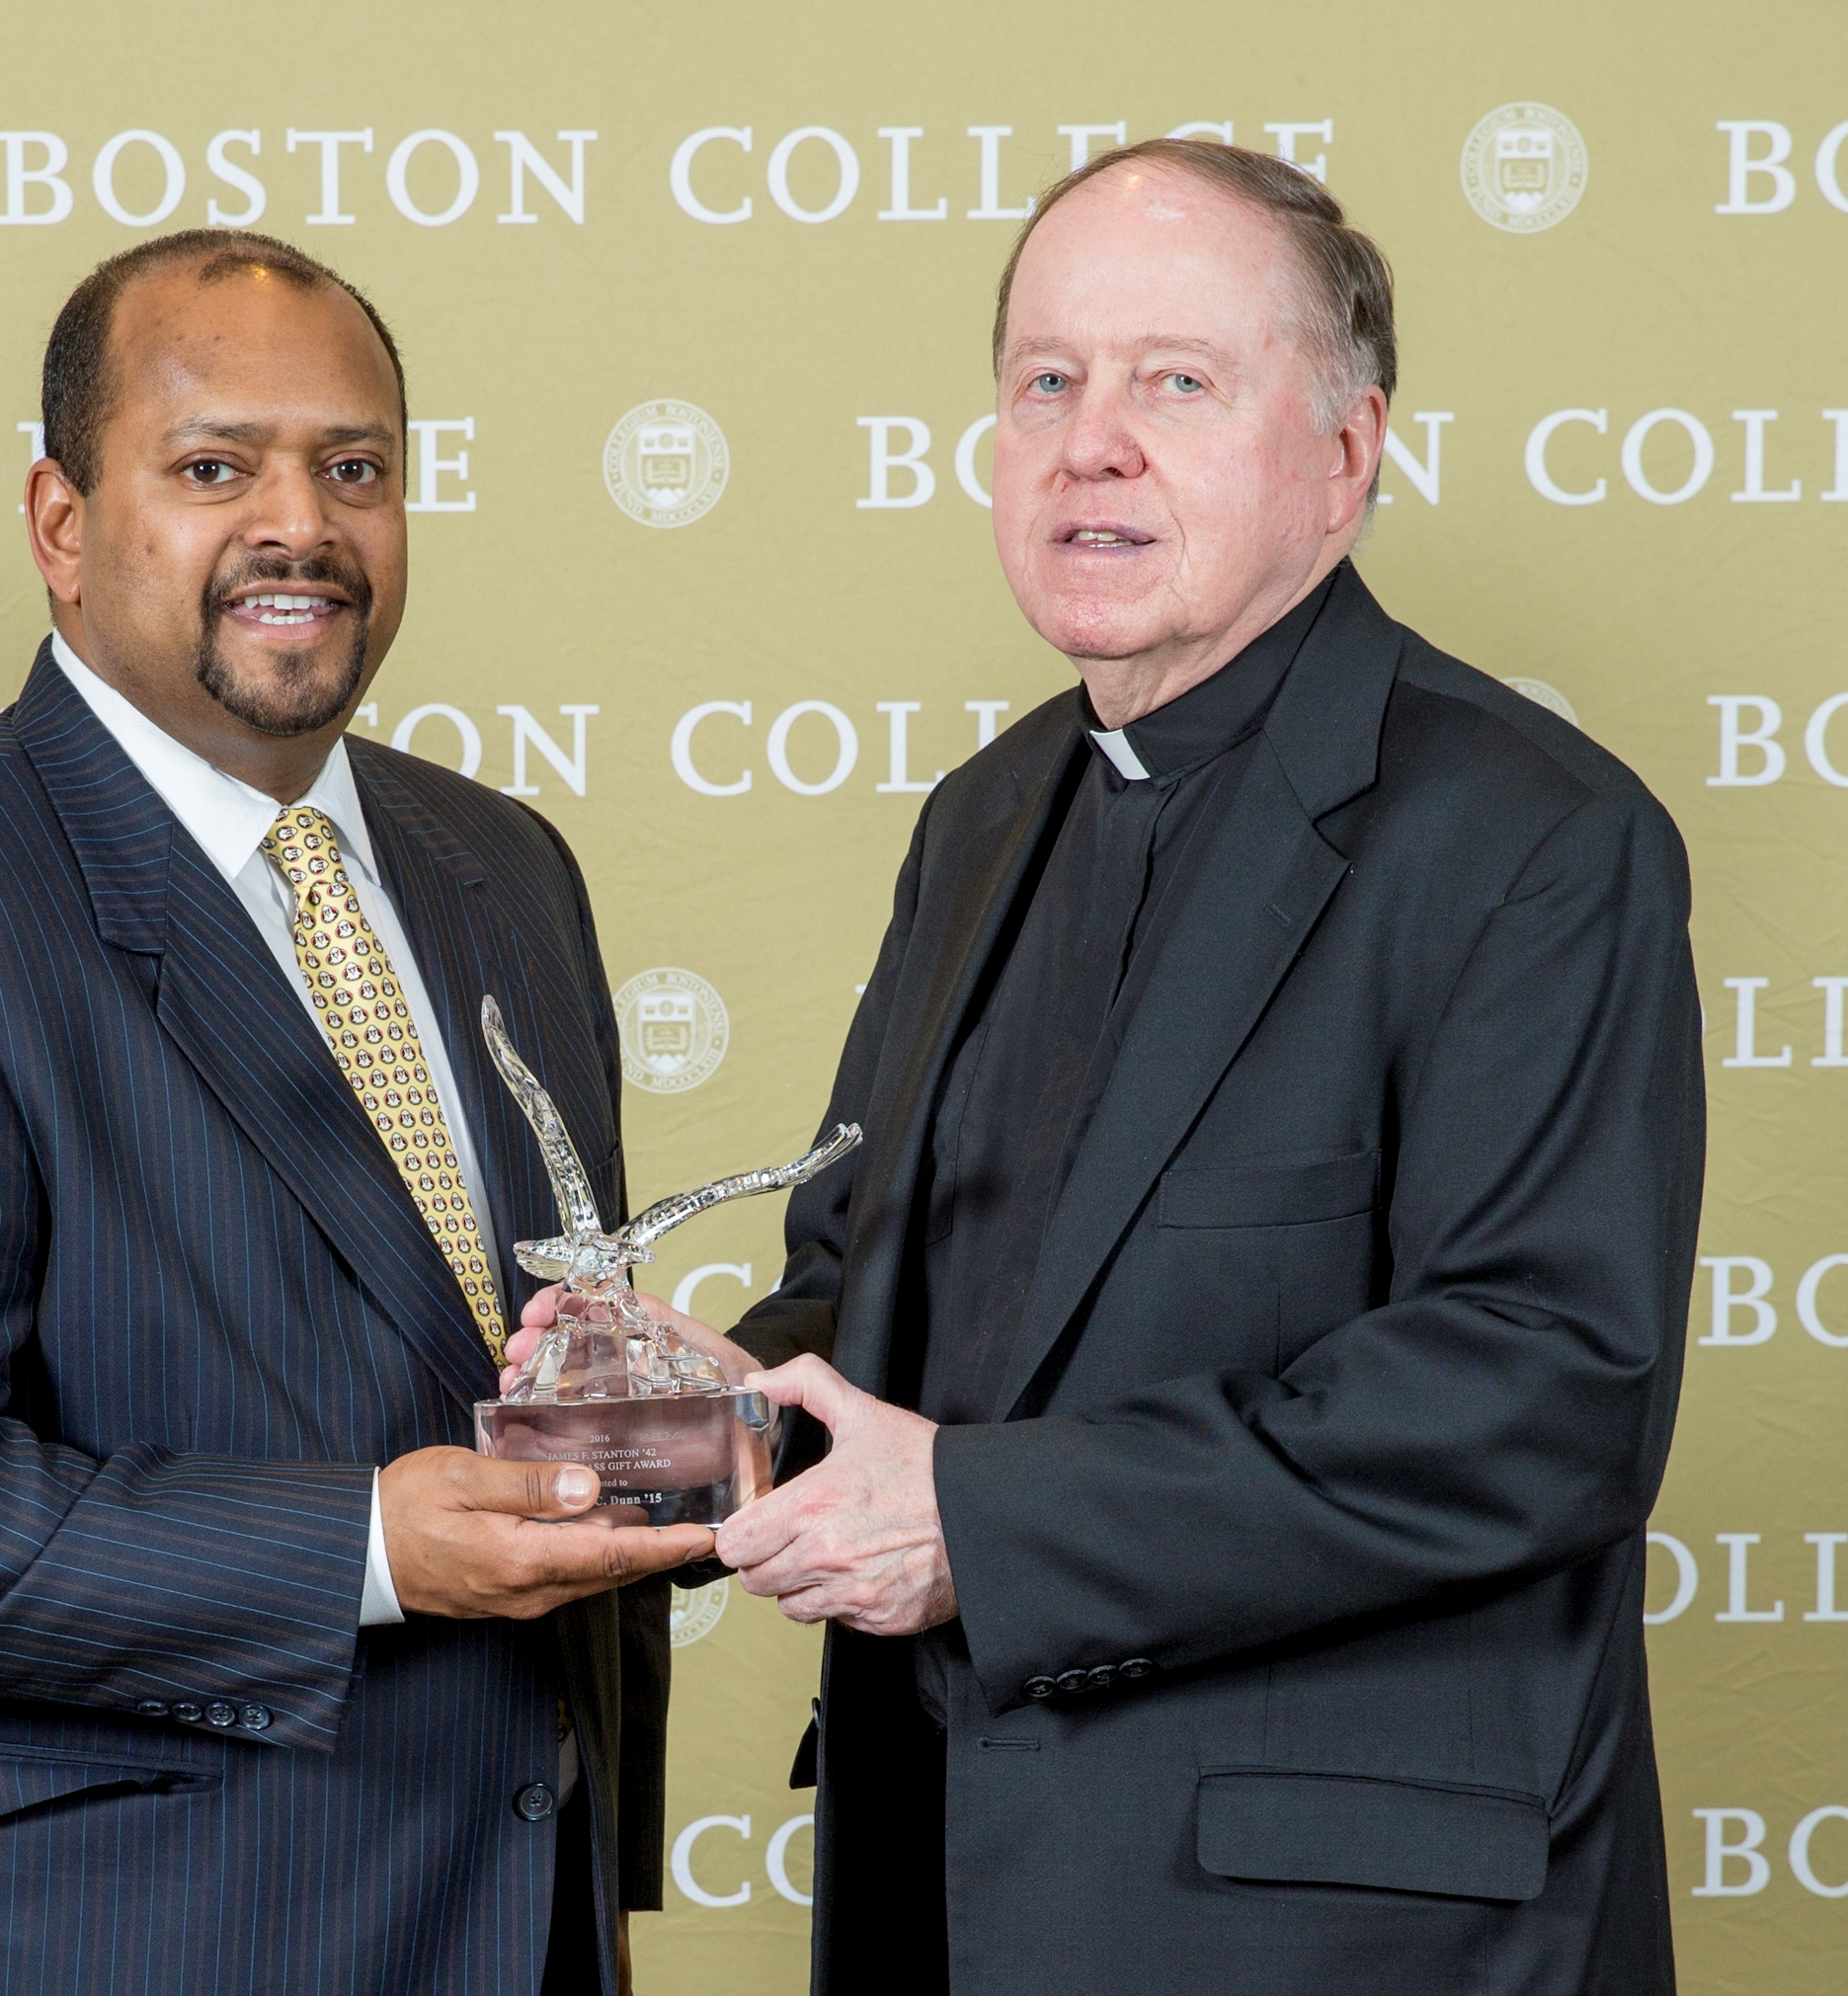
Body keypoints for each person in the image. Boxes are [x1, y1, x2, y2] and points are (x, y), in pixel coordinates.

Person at [603, 139, 1703, 1993]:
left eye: (1175, 383)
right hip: (939, 1893)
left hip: (1339, 1936)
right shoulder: (982, 815)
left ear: (1345, 457)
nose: (1087, 442)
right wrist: (689, 1414)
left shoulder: (1536, 837)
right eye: (1047, 381)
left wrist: (977, 1521)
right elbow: (876, 1304)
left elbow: (1541, 1388)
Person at [0, 229, 712, 1996]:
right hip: (115, 1941)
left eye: (355, 469)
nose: (299, 525)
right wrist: (368, 1548)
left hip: (502, 1918)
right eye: (215, 466)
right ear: (63, 526)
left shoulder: (503, 868)